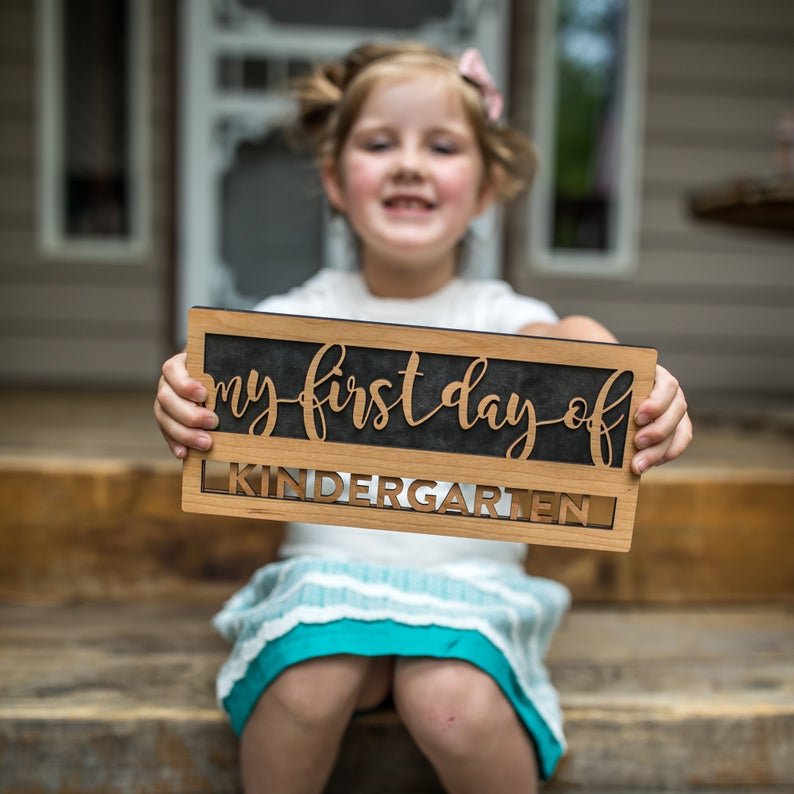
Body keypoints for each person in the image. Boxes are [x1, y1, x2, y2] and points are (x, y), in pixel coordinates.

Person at [155, 41, 692, 794]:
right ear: (336, 181)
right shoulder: (302, 316)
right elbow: (223, 374)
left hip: (469, 583)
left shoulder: (501, 317)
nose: (409, 164)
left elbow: (575, 350)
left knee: (451, 706)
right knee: (307, 689)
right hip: (327, 577)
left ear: (485, 188)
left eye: (441, 146)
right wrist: (183, 390)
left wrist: (637, 383)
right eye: (380, 144)